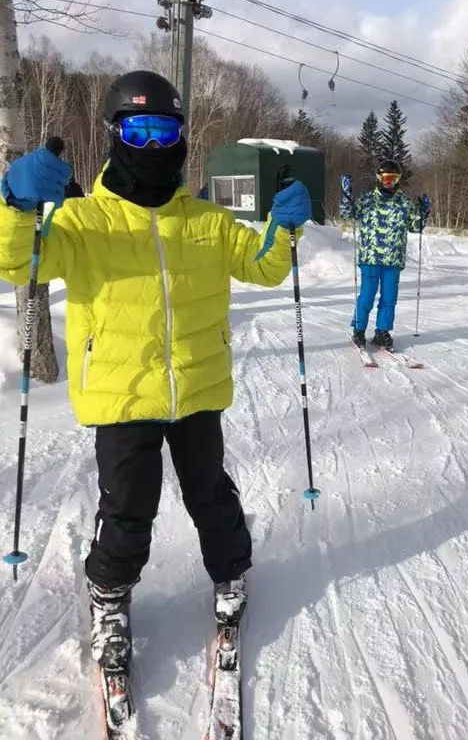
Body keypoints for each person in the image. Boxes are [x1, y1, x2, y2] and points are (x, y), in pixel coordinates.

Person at [0, 70, 311, 673]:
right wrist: (13, 202)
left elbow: (266, 268)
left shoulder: (208, 222)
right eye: (138, 131)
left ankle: (231, 576)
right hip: (121, 394)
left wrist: (284, 227)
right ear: (116, 135)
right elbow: (16, 264)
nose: (152, 146)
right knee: (128, 506)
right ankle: (109, 596)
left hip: (195, 387)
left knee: (210, 492)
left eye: (163, 130)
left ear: (182, 137)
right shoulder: (82, 223)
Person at [340, 159, 431, 351]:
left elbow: (416, 227)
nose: (389, 182)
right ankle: (358, 329)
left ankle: (382, 332)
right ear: (379, 178)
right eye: (386, 178)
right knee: (367, 296)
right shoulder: (367, 200)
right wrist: (346, 195)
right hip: (371, 257)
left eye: (393, 178)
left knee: (389, 298)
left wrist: (424, 212)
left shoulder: (404, 202)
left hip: (393, 259)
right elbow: (348, 214)